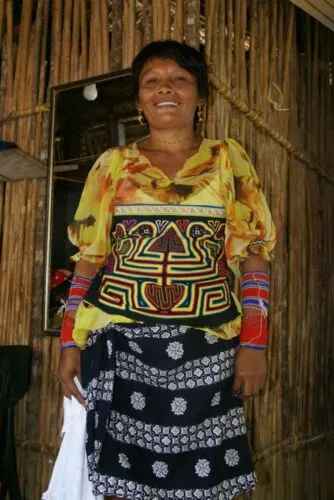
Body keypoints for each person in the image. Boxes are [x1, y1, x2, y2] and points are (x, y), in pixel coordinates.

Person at [58, 40, 276, 500]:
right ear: (138, 101)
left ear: (201, 96)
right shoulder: (112, 166)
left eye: (180, 78)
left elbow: (252, 252)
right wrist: (68, 343)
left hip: (207, 348)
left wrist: (254, 344)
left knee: (209, 482)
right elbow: (90, 259)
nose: (166, 89)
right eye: (152, 81)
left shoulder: (226, 160)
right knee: (120, 484)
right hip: (119, 343)